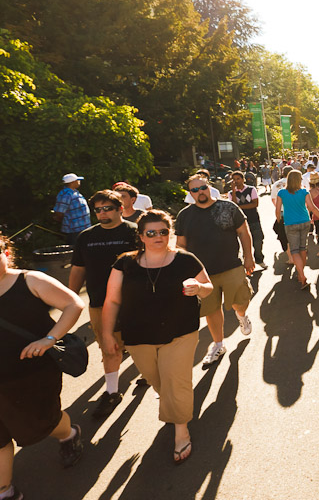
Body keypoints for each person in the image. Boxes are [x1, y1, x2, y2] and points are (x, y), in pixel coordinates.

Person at [103, 210, 213, 465]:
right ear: (141, 236)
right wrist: (108, 334)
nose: (157, 237)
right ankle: (175, 407)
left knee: (176, 381)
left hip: (180, 332)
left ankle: (180, 430)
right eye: (151, 233)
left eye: (163, 232)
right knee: (158, 382)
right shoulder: (125, 263)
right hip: (138, 336)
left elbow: (208, 288)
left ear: (170, 233)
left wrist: (199, 288)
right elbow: (112, 300)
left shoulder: (185, 260)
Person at [0, 233, 86, 499]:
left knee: (39, 423)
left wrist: (50, 339)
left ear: (6, 251)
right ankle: (5, 490)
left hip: (34, 371)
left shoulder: (30, 280)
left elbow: (74, 303)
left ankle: (69, 433)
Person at [68, 190, 139, 418]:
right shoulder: (86, 237)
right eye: (98, 210)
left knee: (141, 344)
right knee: (110, 348)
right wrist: (70, 297)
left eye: (107, 208)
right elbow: (78, 269)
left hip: (136, 302)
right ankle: (112, 392)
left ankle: (149, 374)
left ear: (120, 208)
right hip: (100, 302)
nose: (102, 213)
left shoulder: (134, 232)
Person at [175, 174, 254, 367]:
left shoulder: (228, 207)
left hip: (231, 265)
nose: (200, 192)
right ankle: (218, 344)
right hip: (201, 273)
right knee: (211, 309)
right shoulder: (185, 215)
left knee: (240, 302)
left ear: (209, 187)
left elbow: (244, 232)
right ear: (190, 193)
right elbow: (180, 245)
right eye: (194, 190)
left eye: (202, 188)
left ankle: (242, 316)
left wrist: (249, 256)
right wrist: (183, 270)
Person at [276, 170, 319, 290]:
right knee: (303, 248)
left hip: (290, 223)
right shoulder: (304, 192)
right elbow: (312, 207)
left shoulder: (282, 192)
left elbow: (277, 211)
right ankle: (300, 273)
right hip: (305, 222)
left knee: (294, 250)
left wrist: (279, 221)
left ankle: (302, 276)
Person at [229, 171, 266, 269]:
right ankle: (247, 262)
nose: (236, 181)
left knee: (258, 240)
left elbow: (254, 204)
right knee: (243, 243)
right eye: (234, 179)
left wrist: (240, 207)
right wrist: (233, 191)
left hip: (253, 219)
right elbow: (233, 206)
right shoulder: (231, 193)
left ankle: (259, 259)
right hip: (239, 222)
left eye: (238, 179)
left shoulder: (251, 189)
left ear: (243, 179)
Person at [53, 173, 91, 246]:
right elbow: (59, 213)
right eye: (77, 180)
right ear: (72, 182)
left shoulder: (74, 192)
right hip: (74, 231)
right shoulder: (66, 194)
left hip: (82, 229)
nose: (79, 182)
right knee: (76, 251)